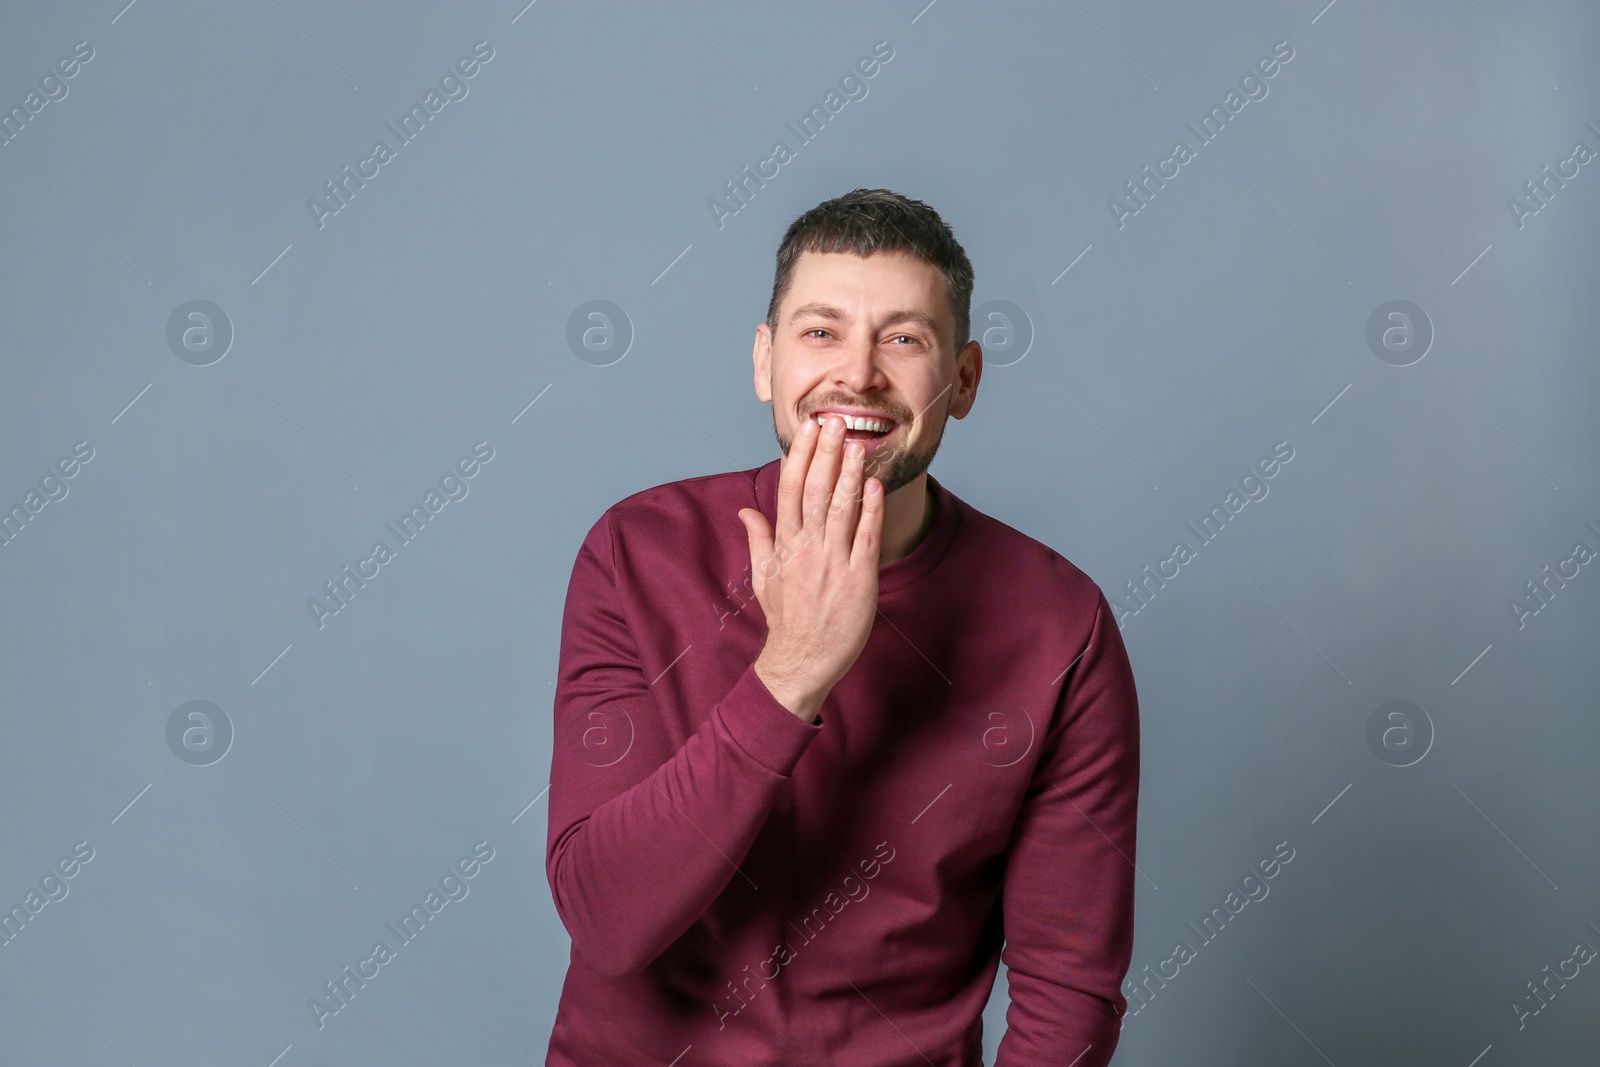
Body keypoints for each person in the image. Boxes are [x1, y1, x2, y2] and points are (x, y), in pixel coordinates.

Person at [544, 187, 1140, 1066]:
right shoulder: (635, 554)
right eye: (820, 331)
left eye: (903, 338)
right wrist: (793, 670)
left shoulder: (1061, 626)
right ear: (764, 361)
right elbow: (607, 920)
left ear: (964, 380)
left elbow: (1070, 994)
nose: (857, 374)